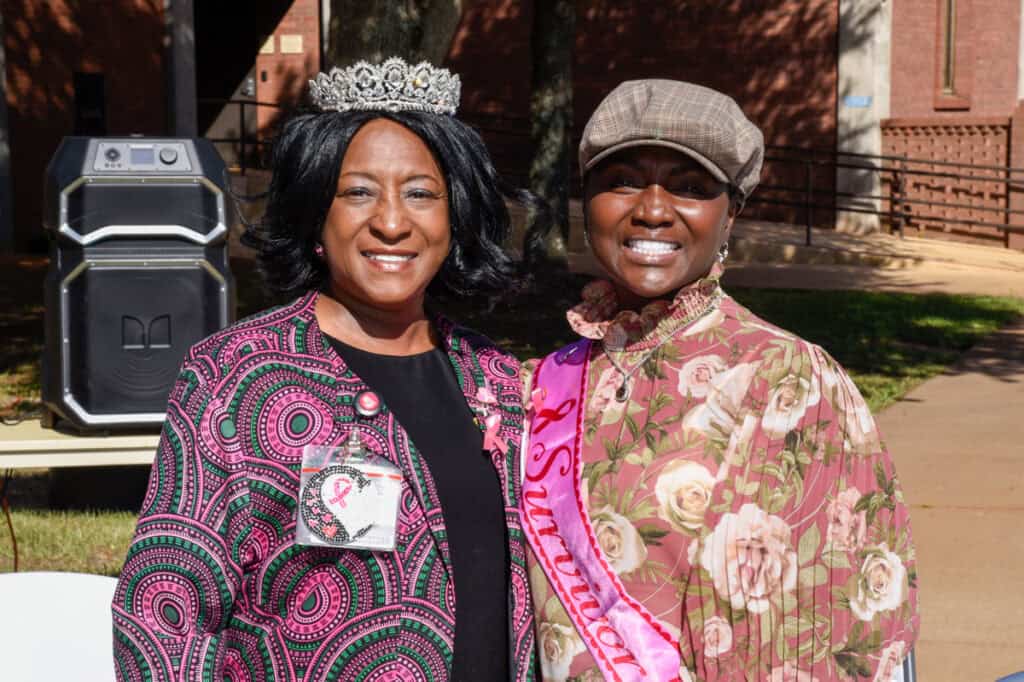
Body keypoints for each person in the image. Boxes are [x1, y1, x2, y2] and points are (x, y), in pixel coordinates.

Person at [112, 58, 537, 681]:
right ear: (316, 215)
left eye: (420, 193)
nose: (392, 222)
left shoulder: (498, 381)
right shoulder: (239, 377)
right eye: (358, 192)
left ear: (455, 219)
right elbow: (166, 611)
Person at [521, 80, 919, 682]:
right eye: (623, 180)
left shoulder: (789, 381)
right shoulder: (535, 386)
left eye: (690, 188)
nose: (652, 208)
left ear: (731, 212)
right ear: (588, 202)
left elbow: (828, 631)